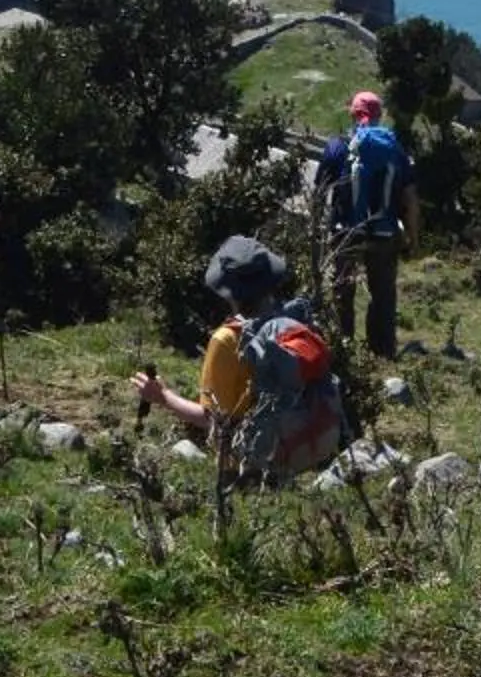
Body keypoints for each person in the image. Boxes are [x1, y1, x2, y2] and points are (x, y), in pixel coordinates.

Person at [130, 236, 347, 482]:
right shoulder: (293, 319)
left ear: (227, 292)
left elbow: (212, 421)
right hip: (308, 440)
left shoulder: (226, 340)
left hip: (252, 462)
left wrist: (162, 397)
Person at [315, 90, 415, 357]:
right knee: (382, 294)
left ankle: (342, 348)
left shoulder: (337, 145)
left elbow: (319, 192)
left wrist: (318, 234)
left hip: (345, 233)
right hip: (384, 232)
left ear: (353, 114)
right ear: (379, 116)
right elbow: (410, 198)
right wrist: (412, 237)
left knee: (342, 293)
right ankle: (381, 352)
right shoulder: (394, 148)